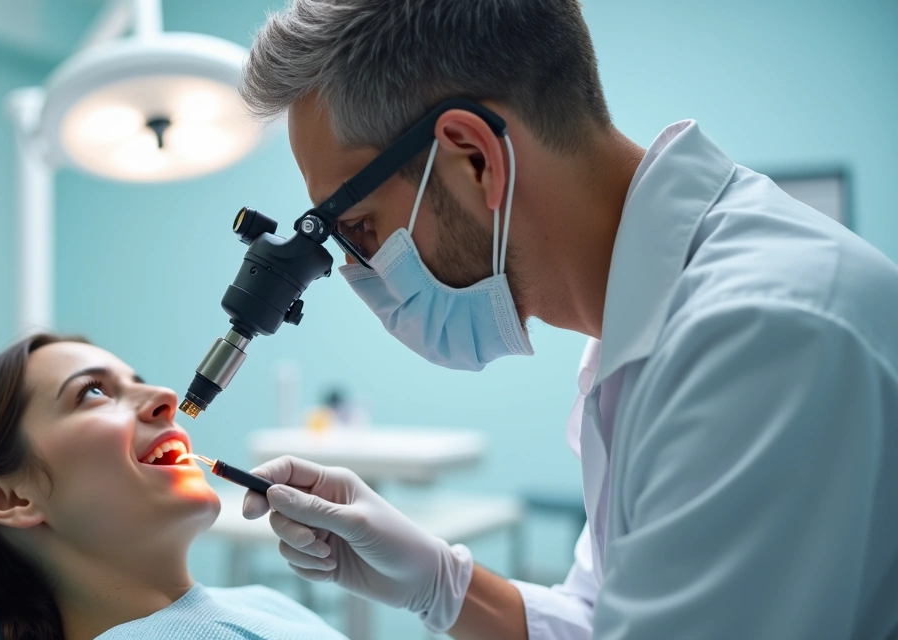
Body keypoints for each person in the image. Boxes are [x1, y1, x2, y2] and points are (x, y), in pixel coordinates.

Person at [234, 1, 898, 638]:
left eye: (357, 229)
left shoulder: (757, 339)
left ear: (472, 158)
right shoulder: (641, 327)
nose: (363, 270)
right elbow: (606, 620)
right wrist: (441, 584)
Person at [0, 333, 348, 640]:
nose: (164, 395)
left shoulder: (262, 603)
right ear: (9, 497)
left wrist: (419, 596)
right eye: (92, 393)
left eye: (137, 380)